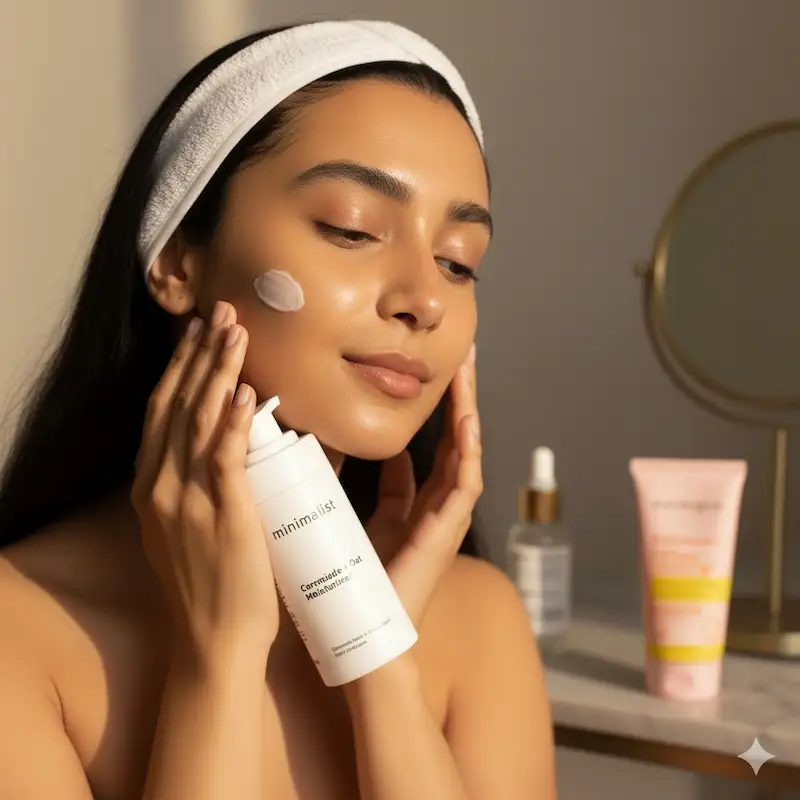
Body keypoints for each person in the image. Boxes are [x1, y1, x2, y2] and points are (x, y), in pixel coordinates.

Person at [0, 20, 557, 800]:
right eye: (351, 228)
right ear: (178, 262)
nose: (425, 299)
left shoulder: (477, 617)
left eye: (458, 262)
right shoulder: (20, 634)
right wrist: (218, 657)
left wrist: (374, 651)